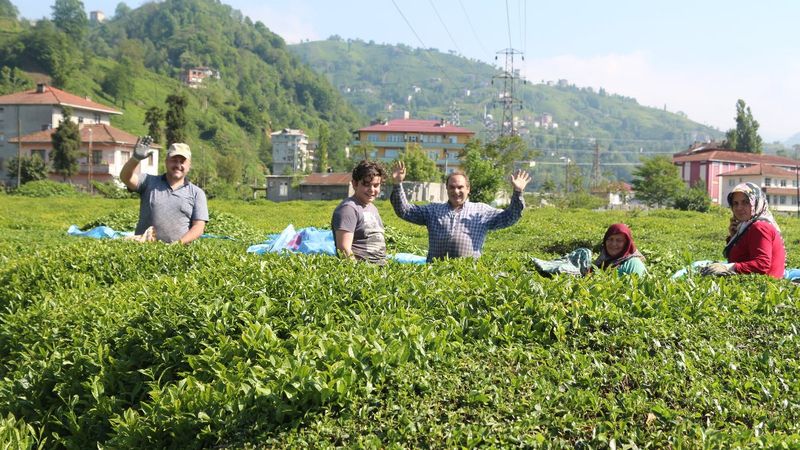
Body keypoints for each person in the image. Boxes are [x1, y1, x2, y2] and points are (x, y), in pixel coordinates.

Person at [390, 160, 530, 262]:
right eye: (452, 187)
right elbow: (404, 210)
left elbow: (510, 217)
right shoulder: (432, 211)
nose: (456, 191)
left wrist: (517, 192)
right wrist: (397, 184)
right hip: (435, 274)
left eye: (460, 187)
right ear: (447, 189)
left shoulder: (481, 211)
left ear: (468, 189)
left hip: (468, 275)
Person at [119, 137, 209, 245]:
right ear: (166, 162)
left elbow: (198, 227)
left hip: (177, 253)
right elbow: (125, 178)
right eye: (174, 160)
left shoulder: (196, 193)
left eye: (182, 162)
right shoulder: (148, 181)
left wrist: (178, 244)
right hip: (143, 249)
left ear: (189, 166)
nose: (178, 165)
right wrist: (135, 159)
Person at [700, 182, 785, 278]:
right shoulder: (747, 226)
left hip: (763, 287)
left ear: (756, 202)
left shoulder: (760, 227)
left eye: (745, 202)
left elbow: (762, 265)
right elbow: (742, 257)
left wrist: (728, 267)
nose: (739, 208)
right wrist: (733, 237)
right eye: (735, 203)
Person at [331, 160, 387, 264]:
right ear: (355, 184)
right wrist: (358, 272)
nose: (371, 189)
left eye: (376, 185)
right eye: (366, 185)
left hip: (377, 271)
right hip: (362, 272)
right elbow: (344, 249)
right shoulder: (348, 209)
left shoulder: (372, 207)